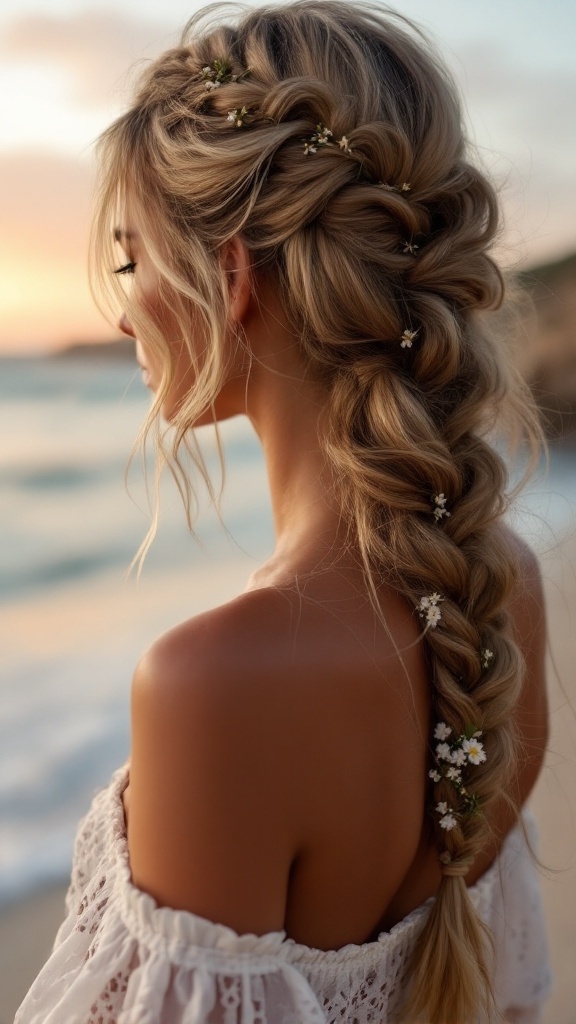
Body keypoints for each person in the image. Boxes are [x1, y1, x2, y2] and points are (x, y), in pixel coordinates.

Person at [16, 2, 552, 1022]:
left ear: (229, 274)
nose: (121, 308)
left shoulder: (213, 686)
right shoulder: (497, 588)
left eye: (132, 259)